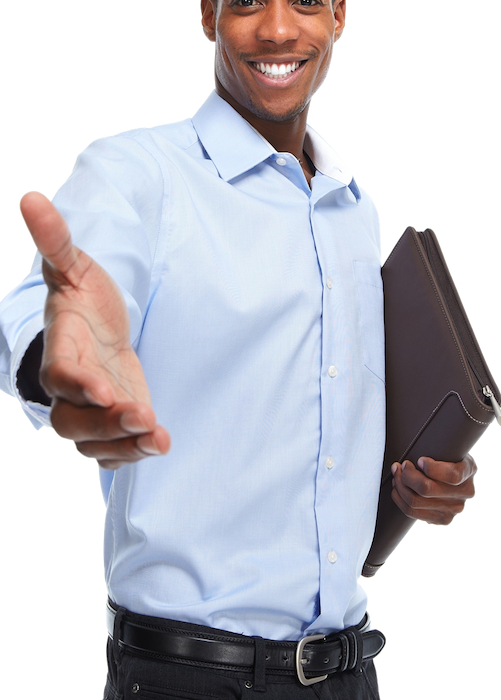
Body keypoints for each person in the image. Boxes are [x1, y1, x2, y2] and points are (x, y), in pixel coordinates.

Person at [1, 1, 478, 697]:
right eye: (248, 0)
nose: (278, 29)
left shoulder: (354, 208)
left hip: (349, 671)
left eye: (306, 1)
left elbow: (325, 422)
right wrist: (61, 362)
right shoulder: (139, 172)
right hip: (188, 678)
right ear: (207, 13)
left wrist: (421, 477)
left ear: (339, 15)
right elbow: (45, 310)